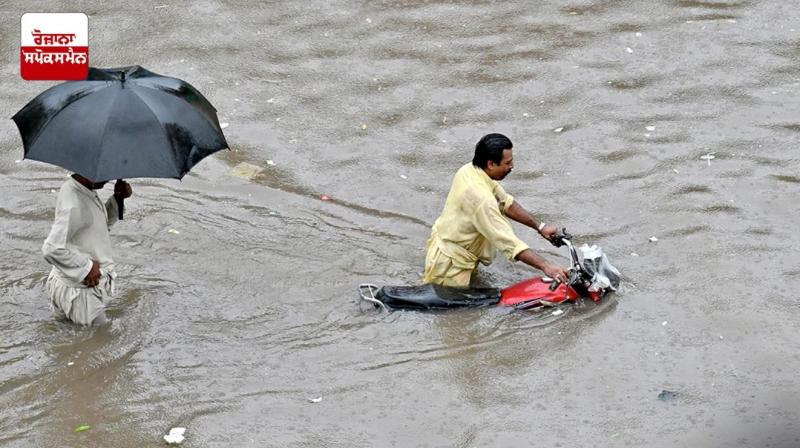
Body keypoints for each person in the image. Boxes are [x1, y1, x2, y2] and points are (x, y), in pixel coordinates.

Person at [423, 133, 570, 288]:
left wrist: (541, 227)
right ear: (491, 164)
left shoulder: (470, 170)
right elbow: (507, 242)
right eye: (507, 163)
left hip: (452, 250)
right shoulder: (480, 199)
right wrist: (546, 266)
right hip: (451, 265)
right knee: (456, 310)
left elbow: (505, 202)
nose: (512, 166)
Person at [42, 174, 132, 325]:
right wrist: (87, 267)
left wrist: (117, 199)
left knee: (69, 338)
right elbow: (51, 249)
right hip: (82, 293)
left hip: (67, 284)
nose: (108, 177)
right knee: (101, 340)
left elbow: (96, 226)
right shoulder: (74, 203)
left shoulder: (79, 189)